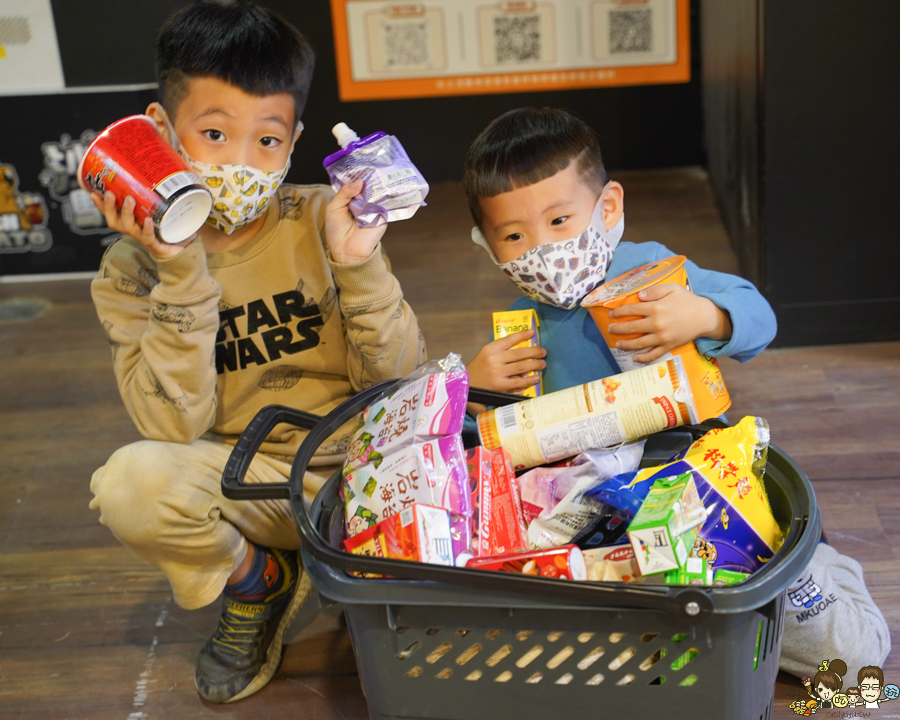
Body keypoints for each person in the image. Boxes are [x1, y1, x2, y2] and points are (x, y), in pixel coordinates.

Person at [461, 107, 889, 678]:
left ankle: (811, 563)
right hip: (608, 519)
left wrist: (705, 315)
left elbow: (760, 321)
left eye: (561, 220)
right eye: (514, 235)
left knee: (854, 661)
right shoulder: (519, 326)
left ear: (606, 207)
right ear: (487, 245)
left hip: (704, 485)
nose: (543, 249)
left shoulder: (657, 271)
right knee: (637, 648)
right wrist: (475, 386)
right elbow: (502, 443)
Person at [88, 2, 425, 705]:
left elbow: (396, 380)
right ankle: (259, 582)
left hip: (357, 469)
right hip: (246, 482)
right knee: (132, 482)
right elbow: (171, 428)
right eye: (213, 133)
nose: (240, 162)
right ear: (160, 131)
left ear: (295, 138)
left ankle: (339, 563)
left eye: (266, 141)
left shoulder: (320, 218)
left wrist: (358, 264)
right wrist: (179, 270)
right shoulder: (129, 271)